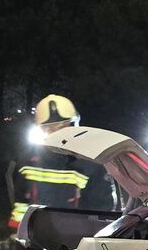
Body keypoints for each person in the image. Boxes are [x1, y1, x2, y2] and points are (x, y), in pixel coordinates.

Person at [8, 94, 90, 231]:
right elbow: (20, 203)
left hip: (76, 239)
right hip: (37, 238)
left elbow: (100, 208)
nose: (56, 133)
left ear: (74, 126)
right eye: (49, 128)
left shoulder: (88, 162)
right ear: (40, 129)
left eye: (63, 127)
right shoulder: (26, 161)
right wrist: (18, 234)